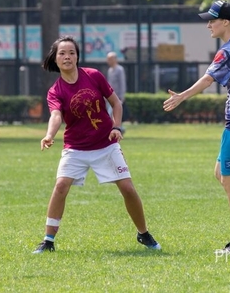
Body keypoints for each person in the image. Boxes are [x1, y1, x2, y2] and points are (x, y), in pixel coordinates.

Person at [34, 36, 160, 254]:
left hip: (106, 143)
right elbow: (56, 116)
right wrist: (49, 135)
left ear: (77, 56)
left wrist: (116, 126)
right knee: (61, 186)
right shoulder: (55, 91)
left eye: (72, 53)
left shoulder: (93, 75)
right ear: (55, 59)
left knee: (128, 188)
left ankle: (143, 233)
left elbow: (116, 103)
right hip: (75, 148)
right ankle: (48, 240)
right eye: (62, 53)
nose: (67, 57)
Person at [163, 0, 230, 254]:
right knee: (220, 173)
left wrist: (181, 96)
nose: (208, 25)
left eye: (212, 20)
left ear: (225, 22)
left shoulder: (227, 51)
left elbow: (207, 79)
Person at [106, 51, 128, 129]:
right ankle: (118, 129)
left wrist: (122, 97)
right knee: (109, 115)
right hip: (109, 97)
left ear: (115, 59)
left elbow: (122, 83)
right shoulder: (110, 70)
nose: (108, 61)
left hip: (117, 97)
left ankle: (119, 129)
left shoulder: (120, 69)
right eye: (108, 59)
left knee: (114, 115)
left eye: (110, 59)